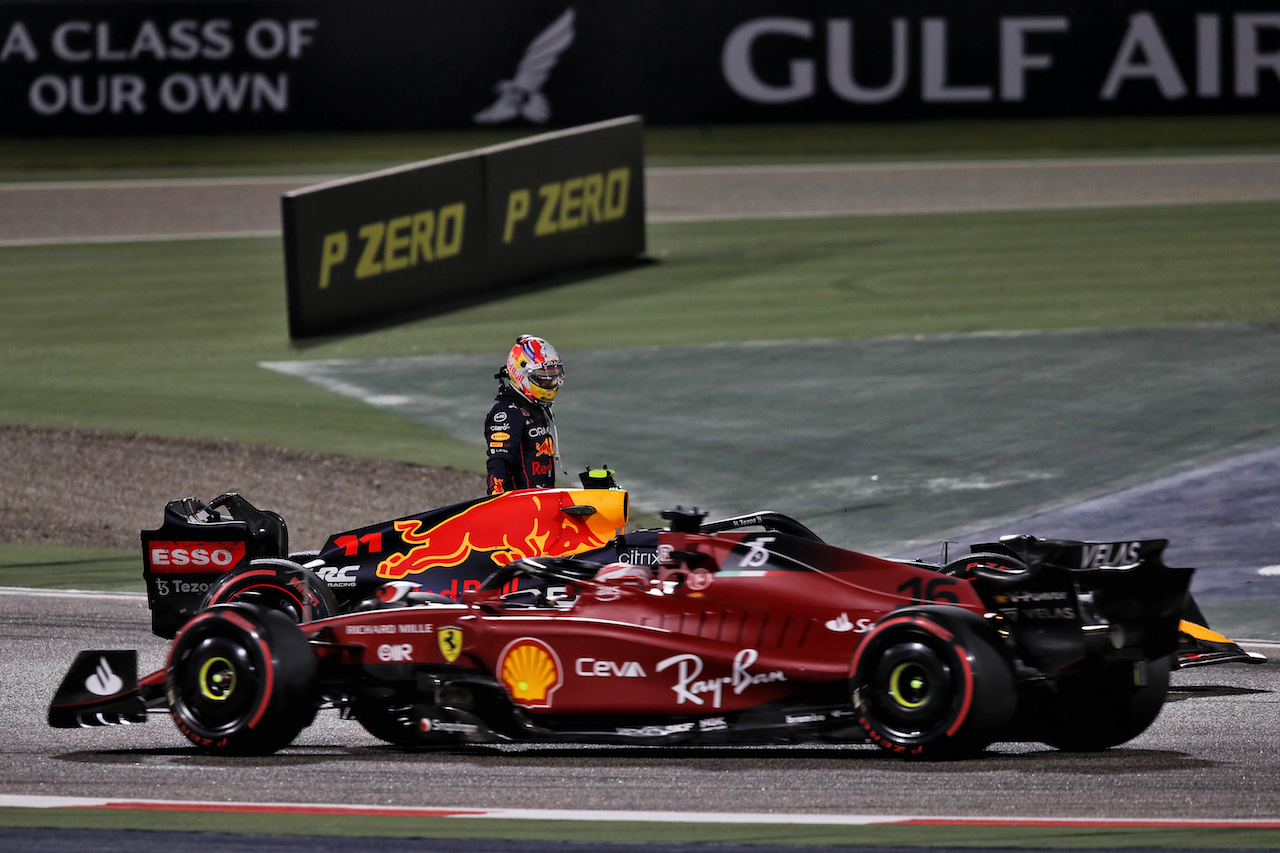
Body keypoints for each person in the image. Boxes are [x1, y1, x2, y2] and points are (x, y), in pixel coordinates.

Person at [484, 335, 566, 495]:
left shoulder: (535, 408)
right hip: (520, 511)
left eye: (553, 376)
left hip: (540, 505)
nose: (550, 383)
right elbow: (498, 463)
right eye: (543, 378)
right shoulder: (507, 413)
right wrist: (495, 503)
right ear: (521, 374)